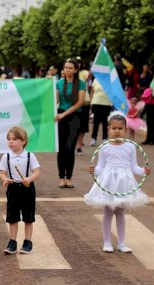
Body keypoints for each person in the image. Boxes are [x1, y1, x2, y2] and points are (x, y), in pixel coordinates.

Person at [85, 111, 151, 253]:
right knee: (108, 211)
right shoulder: (104, 147)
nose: (116, 131)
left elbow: (134, 166)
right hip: (108, 181)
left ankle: (121, 243)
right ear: (108, 129)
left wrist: (142, 171)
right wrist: (94, 170)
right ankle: (107, 242)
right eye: (113, 128)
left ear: (125, 130)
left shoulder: (131, 147)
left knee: (120, 212)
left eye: (120, 129)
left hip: (124, 182)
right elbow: (101, 166)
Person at [0, 126, 41, 254]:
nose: (10, 142)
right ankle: (12, 242)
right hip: (13, 188)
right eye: (9, 139)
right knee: (12, 216)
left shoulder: (29, 156)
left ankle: (28, 242)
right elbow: (2, 172)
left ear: (23, 141)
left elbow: (37, 172)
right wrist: (5, 179)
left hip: (27, 188)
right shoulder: (6, 156)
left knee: (28, 216)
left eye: (14, 139)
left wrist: (29, 179)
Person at [55, 58, 86, 188]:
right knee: (61, 149)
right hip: (60, 117)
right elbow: (55, 99)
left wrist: (64, 114)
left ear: (75, 70)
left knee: (70, 148)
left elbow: (80, 102)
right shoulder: (59, 83)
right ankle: (61, 177)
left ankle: (69, 178)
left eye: (70, 68)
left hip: (74, 117)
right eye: (66, 67)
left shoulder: (81, 84)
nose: (67, 70)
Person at [90, 77, 113, 146]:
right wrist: (91, 102)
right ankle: (93, 138)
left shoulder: (110, 80)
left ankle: (105, 138)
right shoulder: (96, 79)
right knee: (96, 122)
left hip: (107, 103)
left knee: (105, 122)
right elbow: (92, 91)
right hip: (96, 102)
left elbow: (113, 91)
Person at [75, 59, 91, 155]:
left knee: (83, 127)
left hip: (85, 103)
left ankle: (79, 147)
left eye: (79, 62)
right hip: (73, 104)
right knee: (74, 126)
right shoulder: (70, 75)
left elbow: (88, 76)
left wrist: (90, 73)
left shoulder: (84, 72)